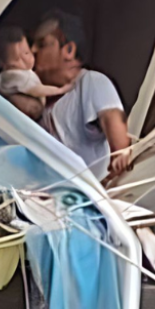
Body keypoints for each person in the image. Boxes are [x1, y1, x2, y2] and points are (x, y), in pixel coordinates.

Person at [7, 10, 132, 181]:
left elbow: (112, 117)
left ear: (69, 50)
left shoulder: (91, 82)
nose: (33, 50)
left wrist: (120, 154)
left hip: (85, 196)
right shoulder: (39, 99)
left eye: (42, 44)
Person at [0, 26, 72, 111]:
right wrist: (60, 90)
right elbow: (37, 90)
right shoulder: (18, 76)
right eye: (16, 60)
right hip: (13, 109)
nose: (25, 60)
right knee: (34, 107)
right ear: (5, 65)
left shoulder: (16, 73)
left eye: (26, 52)